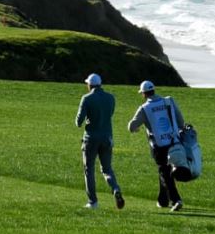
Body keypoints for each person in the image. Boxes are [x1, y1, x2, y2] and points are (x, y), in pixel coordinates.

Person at [128, 80, 186, 211]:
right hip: (174, 142)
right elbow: (180, 120)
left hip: (158, 146)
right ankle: (163, 200)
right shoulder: (168, 101)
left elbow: (131, 126)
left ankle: (176, 199)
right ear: (154, 90)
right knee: (165, 172)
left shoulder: (144, 108)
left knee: (165, 173)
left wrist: (137, 129)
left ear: (143, 94)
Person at [76, 73, 124, 210]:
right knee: (107, 169)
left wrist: (87, 120)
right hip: (107, 137)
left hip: (91, 138)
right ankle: (115, 188)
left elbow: (78, 121)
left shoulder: (87, 98)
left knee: (89, 170)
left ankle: (93, 202)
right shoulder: (110, 98)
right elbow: (110, 114)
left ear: (89, 85)